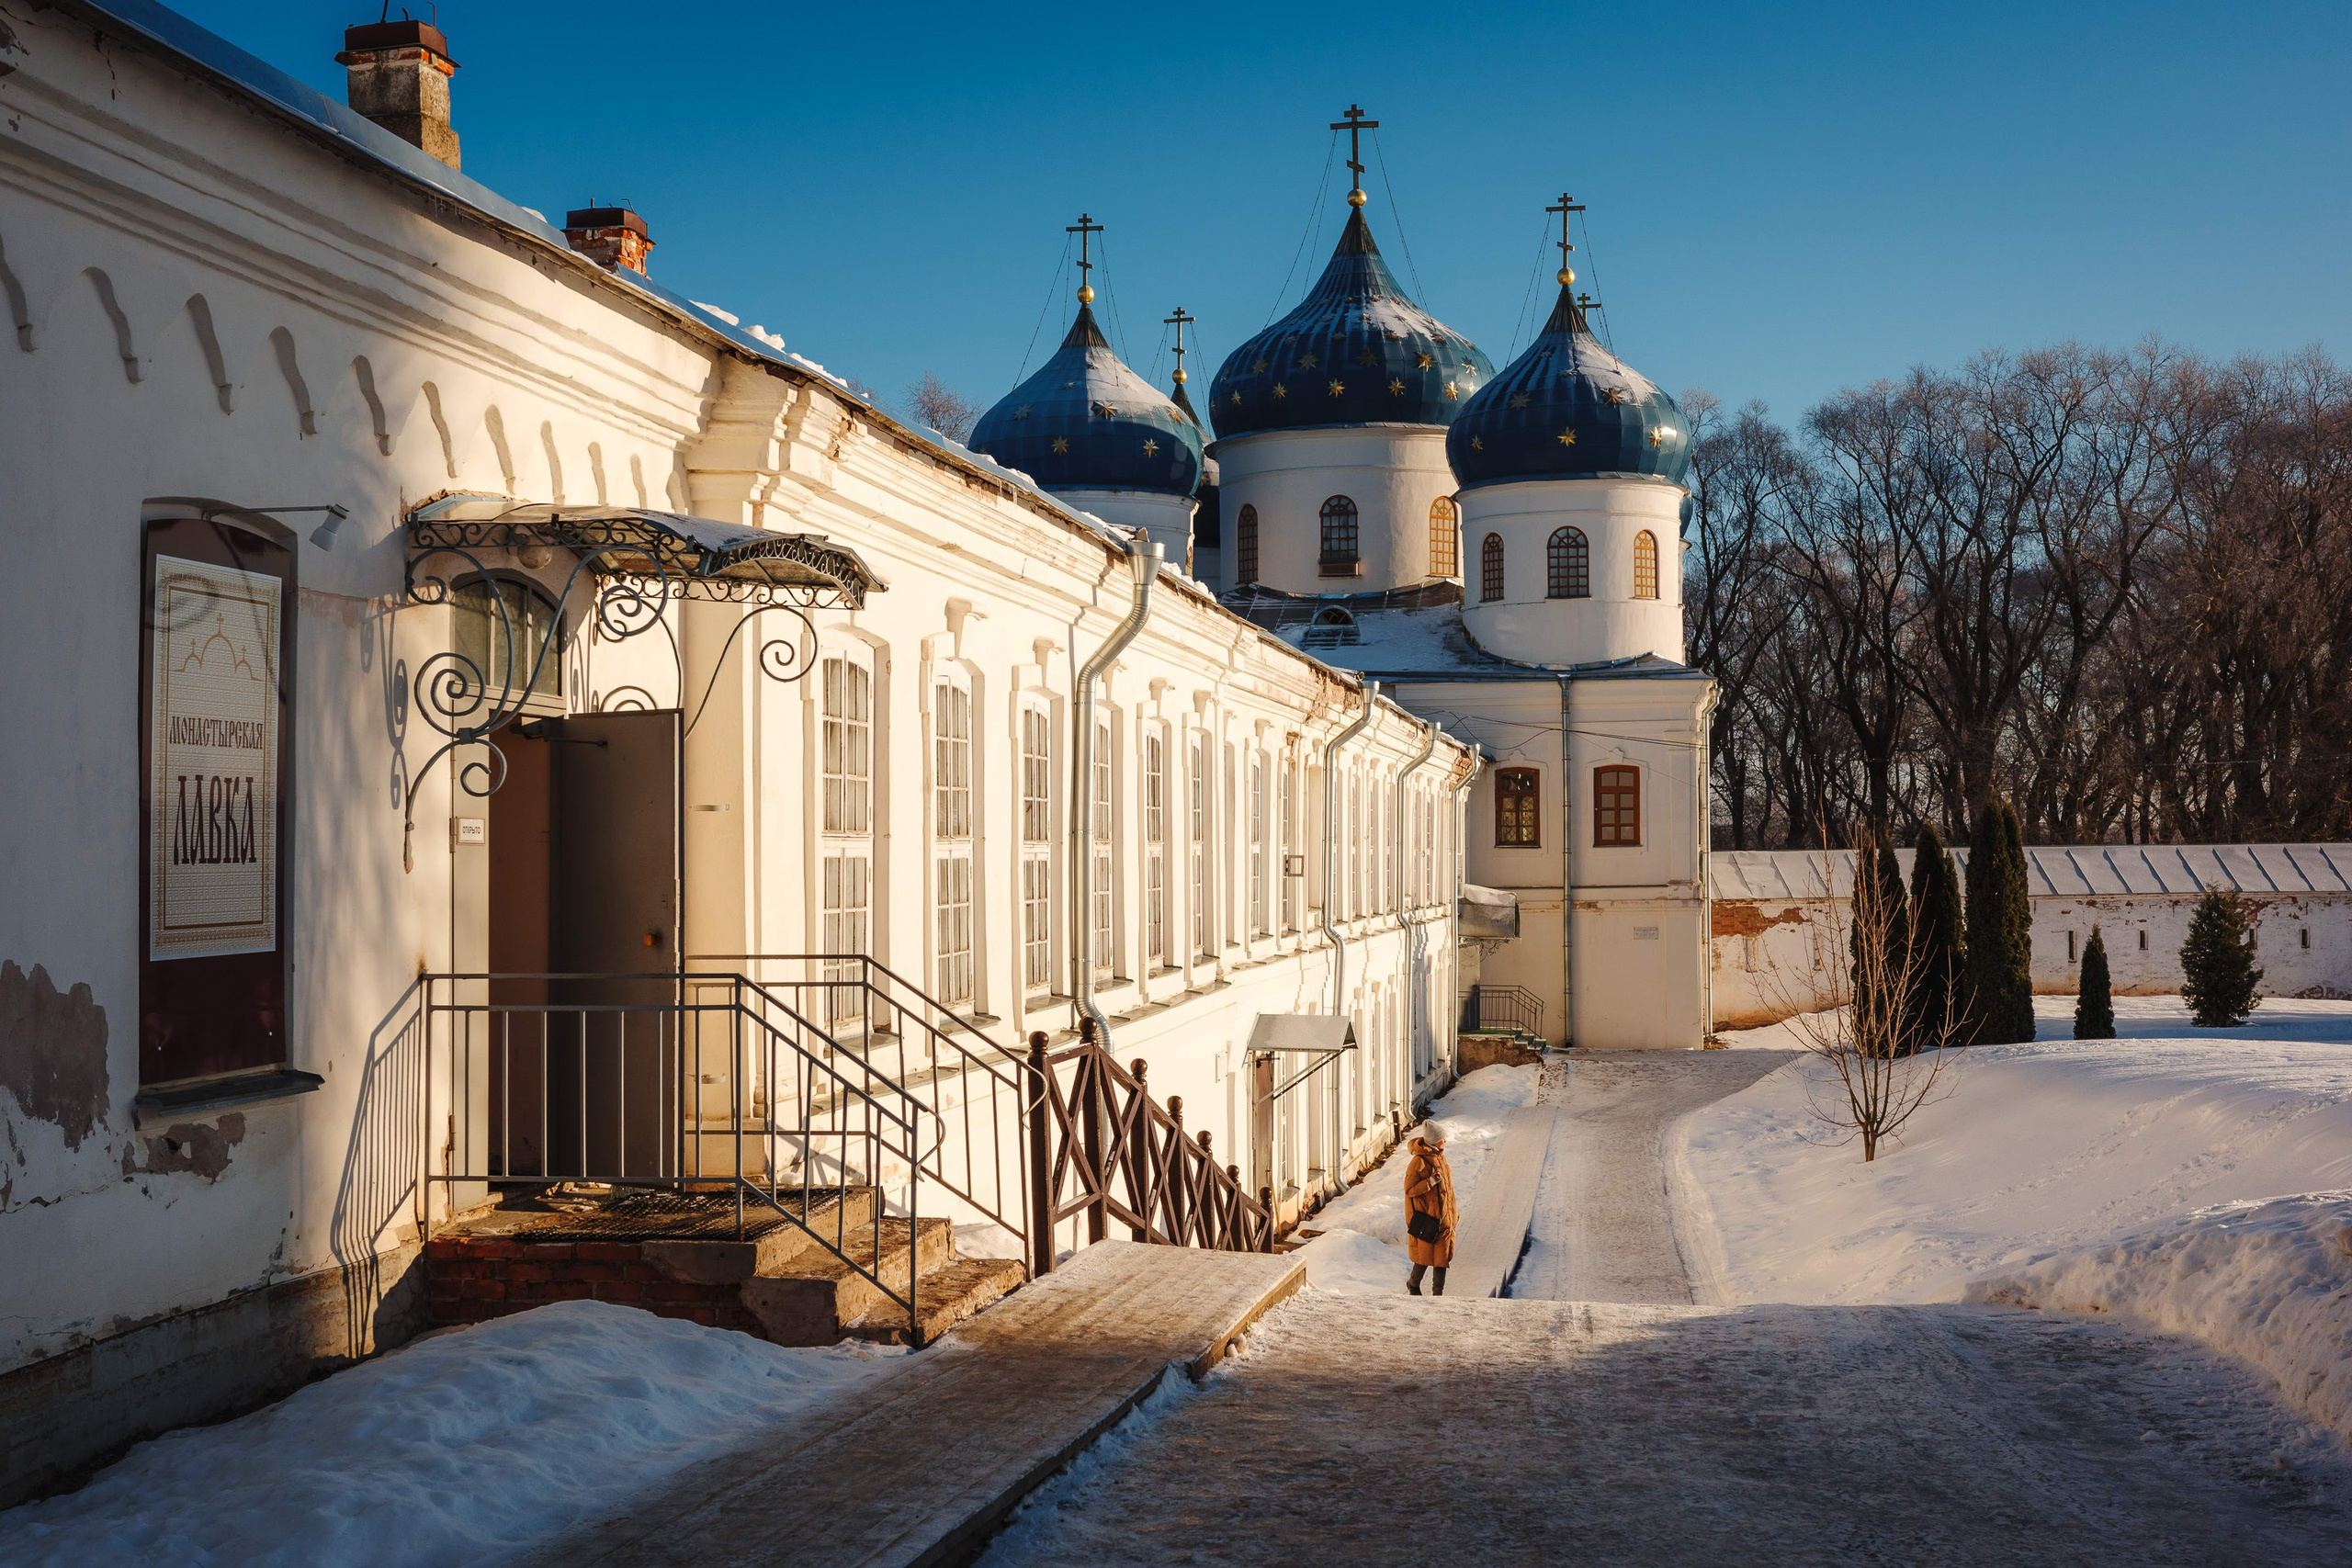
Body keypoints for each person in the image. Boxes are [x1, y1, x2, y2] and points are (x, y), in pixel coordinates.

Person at [1403, 1119, 1456, 1296]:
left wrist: (1453, 1213)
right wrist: (1431, 1182)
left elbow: (1448, 1190)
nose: (1445, 1141)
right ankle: (1413, 1284)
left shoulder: (1440, 1157)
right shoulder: (1419, 1162)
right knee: (1424, 1257)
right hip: (1428, 1218)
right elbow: (1409, 1190)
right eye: (1442, 1139)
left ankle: (1437, 1294)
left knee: (1442, 1258)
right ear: (1434, 1141)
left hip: (1444, 1218)